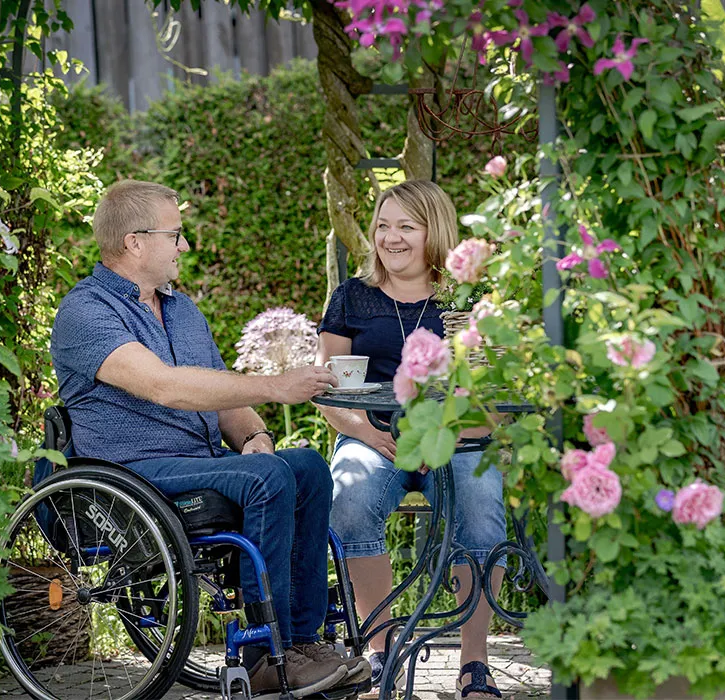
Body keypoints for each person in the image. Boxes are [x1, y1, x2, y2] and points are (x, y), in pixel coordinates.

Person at [50, 179, 371, 698]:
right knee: (268, 479)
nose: (185, 246)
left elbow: (220, 394)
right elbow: (164, 386)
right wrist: (275, 387)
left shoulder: (181, 309)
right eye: (175, 235)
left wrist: (257, 437)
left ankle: (305, 644)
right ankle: (265, 654)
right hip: (133, 473)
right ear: (134, 241)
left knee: (307, 465)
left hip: (201, 461)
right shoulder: (86, 313)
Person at [315, 180, 507, 700]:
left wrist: (449, 433)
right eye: (383, 225)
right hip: (374, 437)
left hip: (459, 437)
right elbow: (329, 388)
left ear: (434, 231)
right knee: (349, 499)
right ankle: (380, 651)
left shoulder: (468, 299)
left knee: (482, 502)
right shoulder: (351, 297)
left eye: (407, 226)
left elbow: (494, 398)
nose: (390, 238)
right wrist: (365, 433)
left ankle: (475, 662)